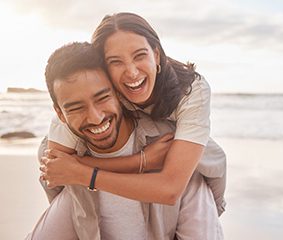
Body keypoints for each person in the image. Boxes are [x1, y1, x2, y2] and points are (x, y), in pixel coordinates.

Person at [28, 42, 222, 239]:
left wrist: (89, 172)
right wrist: (139, 161)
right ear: (60, 114)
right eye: (76, 108)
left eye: (102, 97)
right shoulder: (66, 166)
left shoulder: (172, 151)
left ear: (120, 94)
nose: (95, 118)